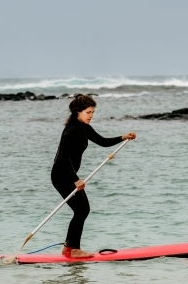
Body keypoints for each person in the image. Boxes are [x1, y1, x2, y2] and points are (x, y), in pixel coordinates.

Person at [51, 94, 136, 258]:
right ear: (78, 112)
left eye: (93, 112)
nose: (91, 115)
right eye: (88, 112)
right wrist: (75, 179)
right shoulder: (71, 131)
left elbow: (102, 141)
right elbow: (62, 159)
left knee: (82, 210)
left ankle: (69, 247)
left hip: (69, 175)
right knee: (81, 210)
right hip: (61, 175)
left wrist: (123, 137)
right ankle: (74, 249)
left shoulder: (84, 127)